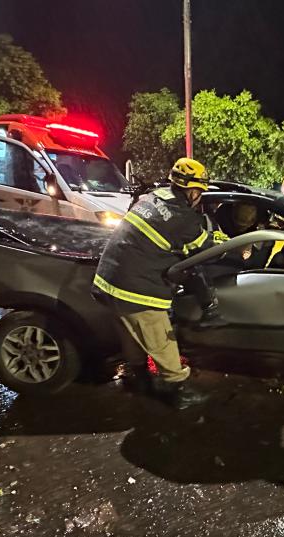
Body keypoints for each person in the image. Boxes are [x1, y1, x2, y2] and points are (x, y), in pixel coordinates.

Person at [92, 157, 218, 409]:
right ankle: (178, 392)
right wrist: (211, 230)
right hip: (136, 287)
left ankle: (140, 380)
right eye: (200, 192)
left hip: (107, 280)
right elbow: (203, 249)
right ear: (192, 191)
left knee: (131, 333)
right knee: (161, 338)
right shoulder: (184, 217)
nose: (199, 198)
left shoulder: (151, 197)